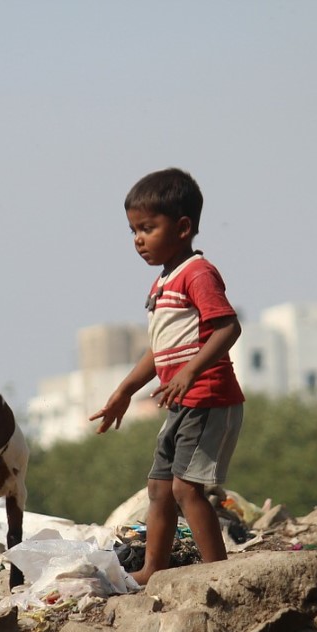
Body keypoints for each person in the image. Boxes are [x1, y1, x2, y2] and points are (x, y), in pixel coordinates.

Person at [90, 167, 245, 585]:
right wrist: (125, 389)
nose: (138, 239)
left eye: (147, 228)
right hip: (183, 402)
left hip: (209, 397)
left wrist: (192, 371)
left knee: (186, 489)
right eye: (133, 231)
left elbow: (228, 327)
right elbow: (159, 349)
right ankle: (153, 568)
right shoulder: (164, 281)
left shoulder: (197, 273)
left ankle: (218, 574)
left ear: (182, 227)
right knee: (158, 488)